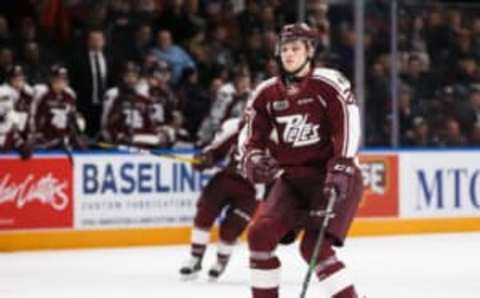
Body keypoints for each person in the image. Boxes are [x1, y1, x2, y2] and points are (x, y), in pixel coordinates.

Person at [239, 23, 363, 298]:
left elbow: (348, 123)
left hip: (332, 178)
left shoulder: (328, 83)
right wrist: (253, 159)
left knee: (314, 249)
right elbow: (250, 137)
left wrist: (342, 164)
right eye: (284, 49)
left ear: (309, 51)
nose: (289, 54)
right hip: (292, 181)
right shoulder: (265, 93)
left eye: (296, 48)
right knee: (259, 235)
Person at [180, 117, 259, 280]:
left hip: (251, 191)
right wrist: (205, 159)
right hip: (224, 181)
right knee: (204, 215)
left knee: (231, 229)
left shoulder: (277, 137)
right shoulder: (238, 129)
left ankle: (221, 261)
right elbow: (215, 150)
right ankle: (195, 258)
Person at [102, 61, 172, 148]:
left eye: (134, 76)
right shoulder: (117, 98)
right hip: (124, 140)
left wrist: (159, 133)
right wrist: (117, 136)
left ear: (138, 78)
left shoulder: (143, 99)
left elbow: (149, 123)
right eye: (127, 76)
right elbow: (109, 124)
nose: (131, 79)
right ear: (122, 77)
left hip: (142, 139)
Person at [31, 64, 86, 150]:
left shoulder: (70, 94)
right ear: (51, 79)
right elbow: (33, 115)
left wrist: (77, 135)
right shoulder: (41, 92)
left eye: (64, 79)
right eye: (57, 79)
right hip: (44, 138)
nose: (61, 82)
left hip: (63, 138)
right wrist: (32, 136)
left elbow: (72, 117)